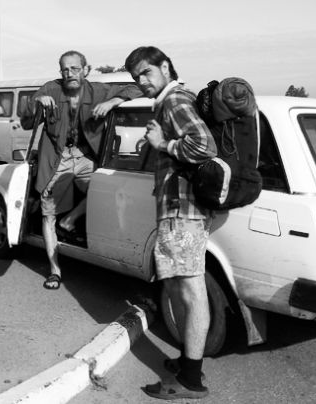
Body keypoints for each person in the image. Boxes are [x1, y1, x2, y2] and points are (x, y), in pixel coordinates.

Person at [125, 46, 217, 400]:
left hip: (183, 213)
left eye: (147, 72)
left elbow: (204, 146)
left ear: (165, 67)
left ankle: (191, 380)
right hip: (179, 212)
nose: (142, 81)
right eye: (136, 77)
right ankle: (187, 362)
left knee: (191, 293)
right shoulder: (168, 102)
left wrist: (163, 143)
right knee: (180, 290)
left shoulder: (175, 100)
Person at [21, 50, 142, 290]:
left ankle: (71, 220)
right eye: (65, 69)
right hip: (57, 158)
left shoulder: (99, 91)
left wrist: (113, 101)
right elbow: (26, 122)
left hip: (86, 157)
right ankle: (54, 270)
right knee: (48, 213)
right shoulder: (50, 89)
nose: (70, 73)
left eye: (75, 68)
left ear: (86, 70)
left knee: (106, 190)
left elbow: (137, 88)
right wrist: (36, 104)